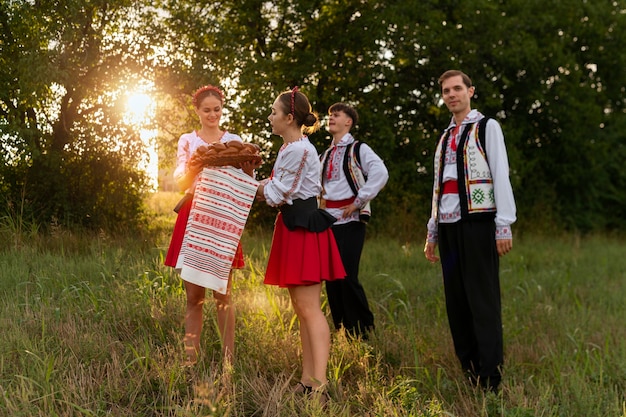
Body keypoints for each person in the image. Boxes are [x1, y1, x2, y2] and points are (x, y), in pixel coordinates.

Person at [424, 70, 516, 392]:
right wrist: (432, 232)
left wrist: (503, 224)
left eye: (457, 88)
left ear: (470, 91)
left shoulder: (486, 127)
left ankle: (491, 377)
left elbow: (500, 173)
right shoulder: (445, 136)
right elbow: (438, 186)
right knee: (456, 300)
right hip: (448, 229)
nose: (452, 94)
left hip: (478, 224)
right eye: (446, 90)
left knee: (482, 299)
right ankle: (471, 369)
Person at [256, 87, 346, 395]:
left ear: (289, 117)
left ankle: (318, 385)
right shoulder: (290, 147)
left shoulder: (299, 150)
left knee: (309, 308)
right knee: (301, 307)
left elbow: (276, 194)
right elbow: (278, 186)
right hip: (293, 225)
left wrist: (241, 185)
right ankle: (307, 380)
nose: (270, 117)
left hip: (305, 228)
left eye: (273, 112)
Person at [164, 84, 259, 366]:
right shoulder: (187, 141)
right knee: (194, 296)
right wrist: (197, 163)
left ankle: (228, 361)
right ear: (196, 111)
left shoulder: (234, 139)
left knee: (223, 294)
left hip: (223, 216)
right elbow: (181, 180)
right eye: (206, 110)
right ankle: (190, 359)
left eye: (217, 109)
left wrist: (248, 163)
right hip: (194, 212)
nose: (212, 114)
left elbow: (247, 178)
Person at [319, 103, 388, 338]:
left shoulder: (359, 148)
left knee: (347, 275)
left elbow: (380, 173)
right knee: (331, 277)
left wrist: (359, 201)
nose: (331, 118)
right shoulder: (325, 154)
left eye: (336, 115)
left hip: (351, 220)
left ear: (348, 122)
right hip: (328, 220)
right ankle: (342, 329)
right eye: (329, 115)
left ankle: (364, 329)